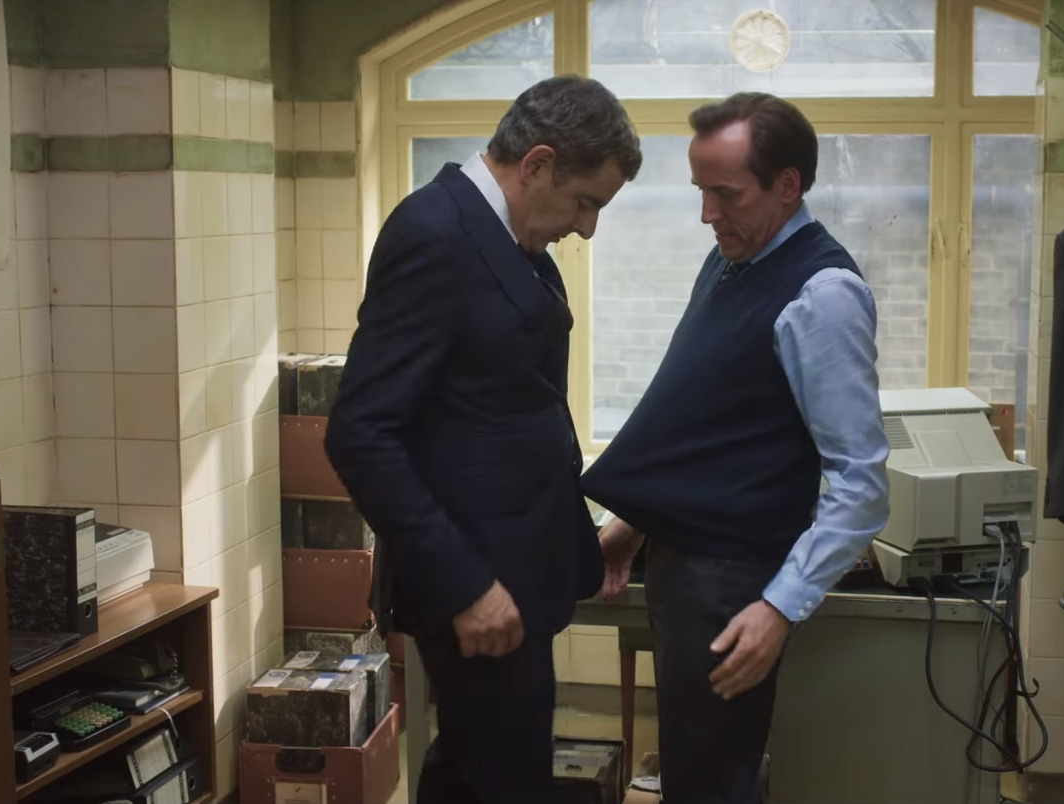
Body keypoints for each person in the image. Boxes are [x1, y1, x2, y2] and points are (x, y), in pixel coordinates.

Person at [324, 75, 642, 804]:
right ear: (536, 164)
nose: (587, 228)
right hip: (477, 583)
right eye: (585, 202)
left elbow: (505, 402)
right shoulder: (433, 234)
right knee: (501, 781)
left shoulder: (509, 239)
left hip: (517, 576)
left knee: (476, 774)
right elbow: (361, 433)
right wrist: (464, 585)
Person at [580, 92, 891, 804]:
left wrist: (779, 607)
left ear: (787, 185)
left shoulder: (822, 295)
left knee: (713, 782)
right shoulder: (731, 262)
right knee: (693, 775)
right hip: (686, 569)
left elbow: (861, 485)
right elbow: (706, 423)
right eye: (700, 190)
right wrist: (634, 525)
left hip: (734, 586)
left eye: (725, 194)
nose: (706, 213)